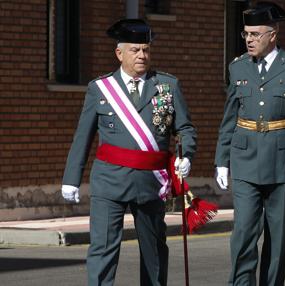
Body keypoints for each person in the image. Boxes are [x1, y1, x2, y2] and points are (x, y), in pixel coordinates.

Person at [61, 19, 196, 286]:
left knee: (154, 250)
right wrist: (70, 178)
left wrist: (186, 155)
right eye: (135, 50)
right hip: (109, 181)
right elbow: (83, 136)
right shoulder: (100, 89)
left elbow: (186, 128)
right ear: (119, 53)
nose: (142, 56)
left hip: (151, 182)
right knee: (103, 250)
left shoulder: (167, 86)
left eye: (145, 49)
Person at [214, 2, 285, 285]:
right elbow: (230, 118)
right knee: (243, 232)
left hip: (284, 163)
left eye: (255, 34)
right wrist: (221, 159)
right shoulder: (238, 68)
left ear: (272, 35)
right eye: (246, 34)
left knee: (278, 238)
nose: (249, 40)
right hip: (245, 160)